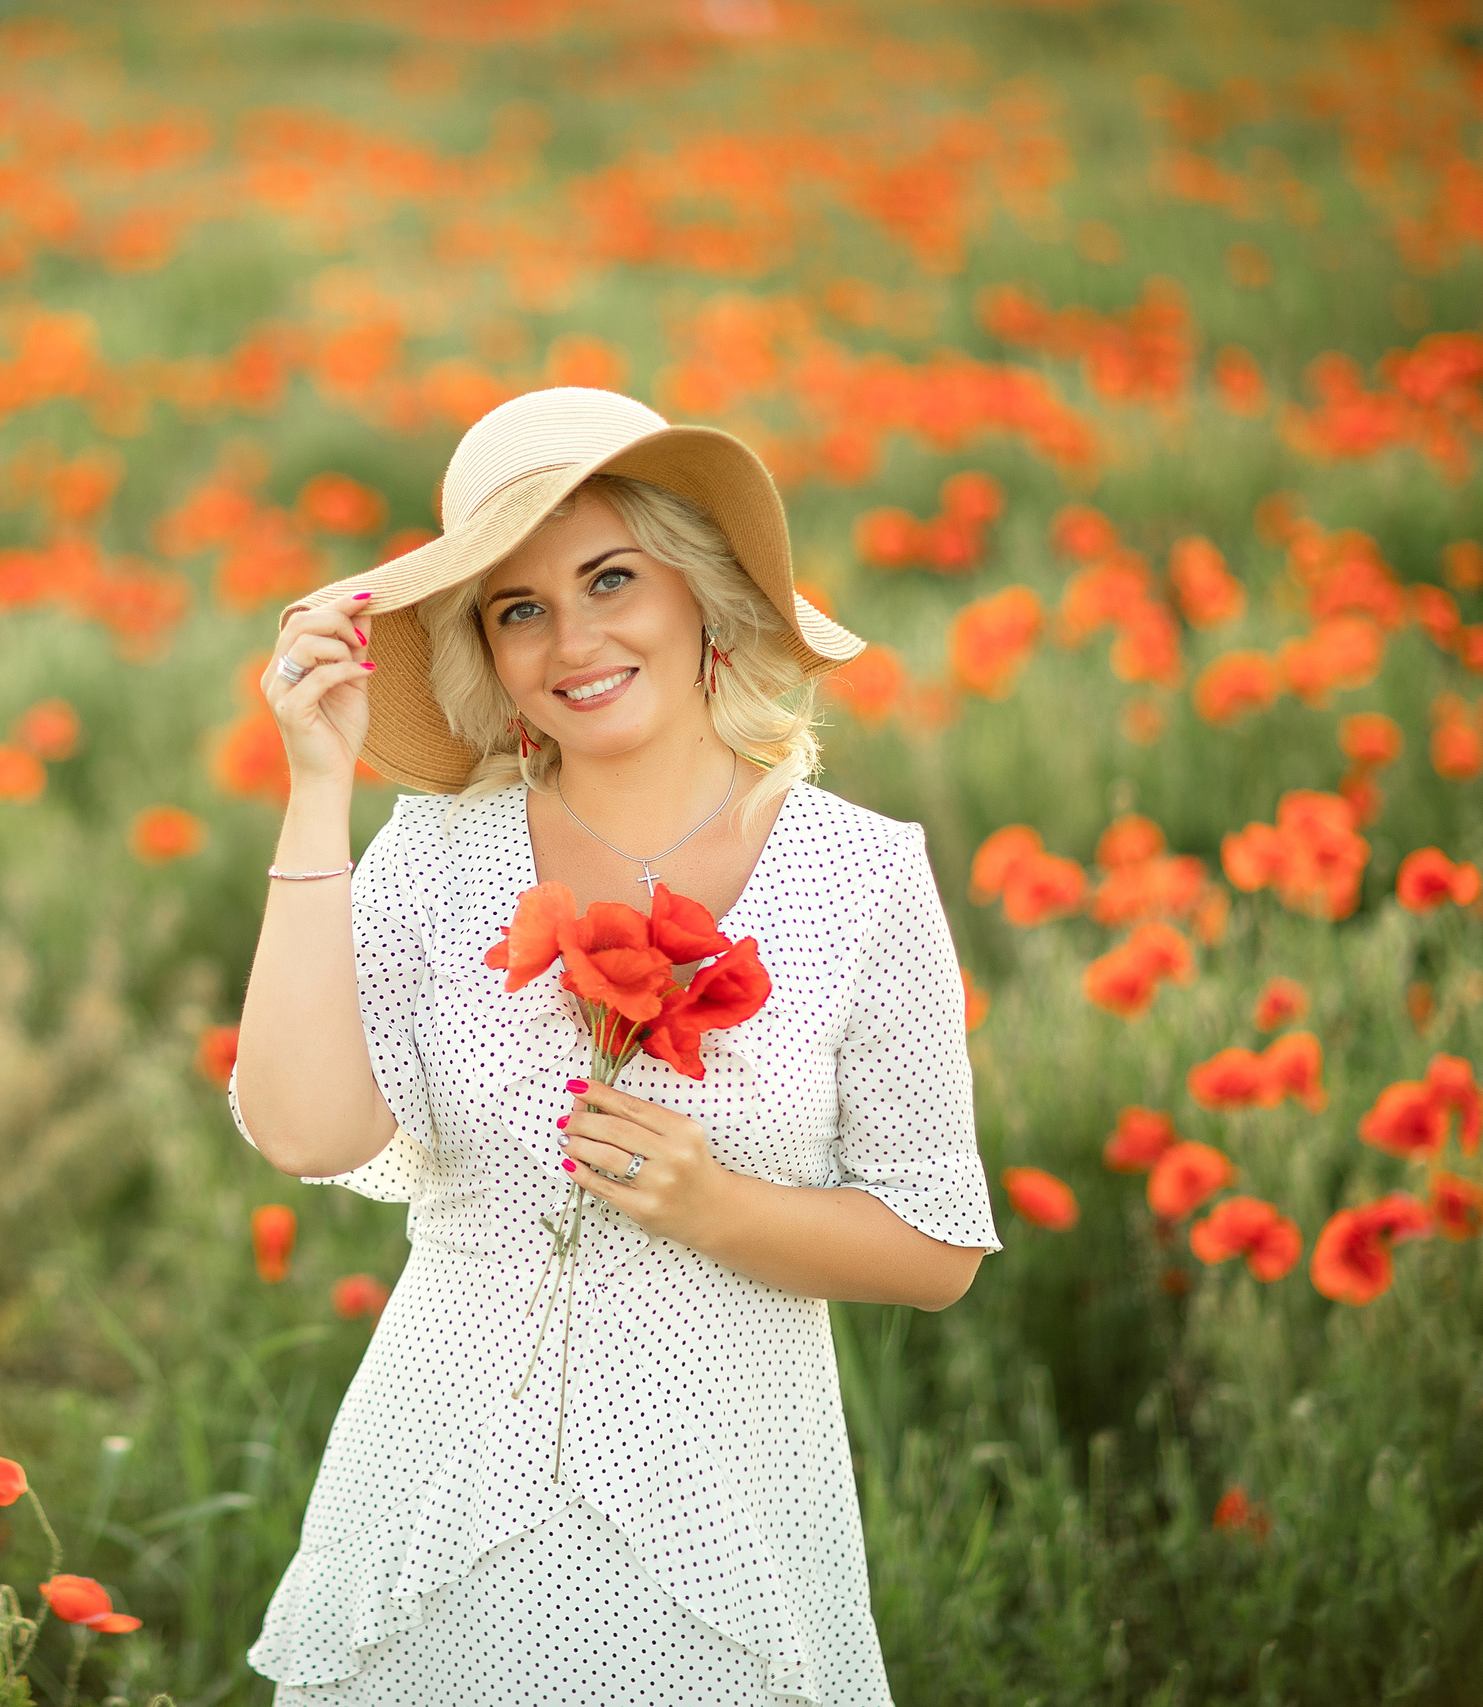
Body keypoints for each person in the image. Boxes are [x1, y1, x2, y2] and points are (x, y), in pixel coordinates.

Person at [228, 387, 1000, 1705]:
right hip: (442, 1493)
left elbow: (936, 1252)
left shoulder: (857, 876)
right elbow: (306, 1134)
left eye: (610, 579)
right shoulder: (439, 851)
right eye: (520, 607)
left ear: (703, 592)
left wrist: (717, 1207)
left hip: (727, 1506)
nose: (572, 639)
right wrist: (316, 794)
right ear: (489, 651)